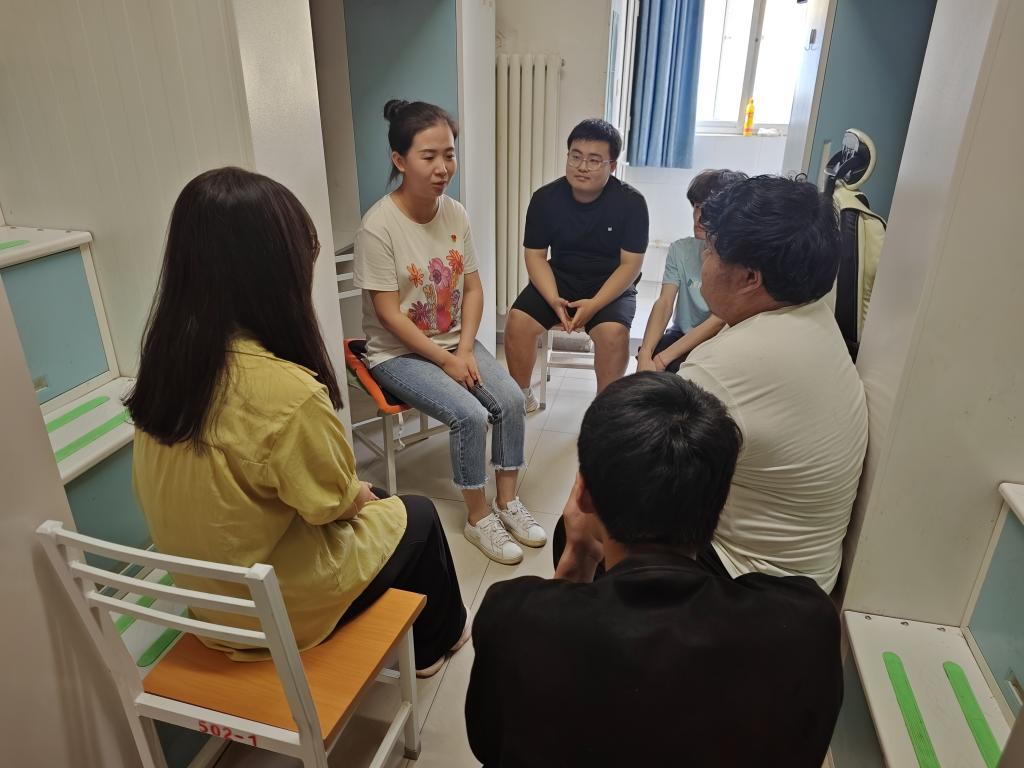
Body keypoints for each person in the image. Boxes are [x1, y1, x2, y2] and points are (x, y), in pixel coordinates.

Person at [127, 167, 467, 678]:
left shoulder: (165, 367)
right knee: (417, 514)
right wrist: (360, 496)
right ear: (274, 275)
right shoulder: (286, 392)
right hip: (275, 614)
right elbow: (333, 505)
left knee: (378, 499)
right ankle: (438, 641)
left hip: (211, 603)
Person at [467, 374, 843, 768]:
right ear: (719, 500)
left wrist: (575, 563)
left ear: (584, 495)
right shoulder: (805, 626)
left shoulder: (512, 620)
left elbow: (490, 745)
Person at [557, 175, 869, 592]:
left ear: (750, 278)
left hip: (751, 578)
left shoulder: (729, 364)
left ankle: (585, 614)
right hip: (807, 571)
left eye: (711, 251)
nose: (703, 259)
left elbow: (634, 471)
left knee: (585, 516)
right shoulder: (813, 318)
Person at [354, 100, 545, 566]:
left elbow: (474, 287)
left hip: (454, 343)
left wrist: (465, 350)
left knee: (511, 399)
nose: (443, 168)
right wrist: (447, 360)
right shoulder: (378, 227)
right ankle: (479, 517)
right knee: (469, 415)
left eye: (449, 154)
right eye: (429, 156)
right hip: (397, 353)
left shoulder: (455, 212)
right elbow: (389, 315)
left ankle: (508, 501)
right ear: (399, 160)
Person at [504, 118, 649, 408]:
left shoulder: (631, 203)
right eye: (576, 156)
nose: (582, 167)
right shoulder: (545, 199)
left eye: (594, 160)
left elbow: (630, 265)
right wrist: (553, 299)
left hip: (610, 283)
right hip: (560, 279)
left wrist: (594, 305)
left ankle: (604, 410)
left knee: (613, 335)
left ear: (612, 165)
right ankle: (521, 398)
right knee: (518, 322)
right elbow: (535, 256)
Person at [636, 169, 746, 373]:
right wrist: (645, 353)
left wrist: (662, 359)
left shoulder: (738, 257)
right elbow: (664, 303)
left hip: (720, 340)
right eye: (696, 207)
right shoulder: (680, 249)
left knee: (675, 367)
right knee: (652, 357)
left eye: (709, 210)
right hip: (681, 334)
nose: (699, 217)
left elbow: (718, 320)